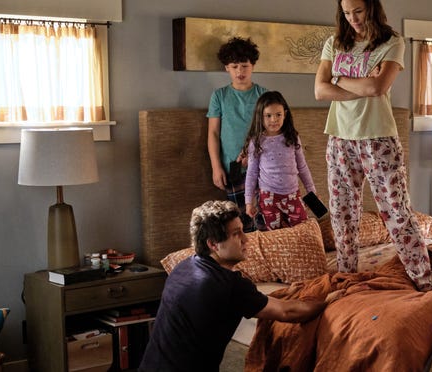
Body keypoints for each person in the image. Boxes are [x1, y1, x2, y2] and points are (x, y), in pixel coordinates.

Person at [314, 0, 432, 291]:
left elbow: (377, 88)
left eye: (358, 11)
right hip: (340, 138)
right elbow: (320, 90)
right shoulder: (335, 43)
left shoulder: (392, 42)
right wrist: (362, 82)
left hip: (378, 139)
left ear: (371, 7)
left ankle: (425, 281)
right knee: (342, 215)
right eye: (346, 13)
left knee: (397, 212)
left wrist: (339, 78)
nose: (352, 18)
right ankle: (346, 280)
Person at [139, 200, 343, 371]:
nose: (246, 239)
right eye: (236, 234)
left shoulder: (183, 268)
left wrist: (287, 292)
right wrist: (327, 303)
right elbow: (288, 313)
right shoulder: (228, 285)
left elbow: (256, 303)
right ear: (213, 244)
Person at [207, 36, 267, 232]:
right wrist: (216, 167)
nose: (240, 71)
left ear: (253, 65)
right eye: (234, 66)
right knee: (243, 220)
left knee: (264, 218)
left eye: (244, 66)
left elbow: (270, 132)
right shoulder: (220, 96)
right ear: (226, 68)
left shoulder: (263, 95)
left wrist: (254, 155)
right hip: (233, 168)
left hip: (262, 167)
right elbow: (214, 133)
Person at [243, 91, 317, 230]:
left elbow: (302, 166)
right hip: (268, 196)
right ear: (260, 117)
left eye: (278, 115)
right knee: (275, 234)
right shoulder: (257, 141)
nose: (274, 120)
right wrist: (249, 202)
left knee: (302, 229)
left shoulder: (292, 137)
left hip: (292, 193)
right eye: (268, 115)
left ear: (285, 114)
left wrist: (311, 189)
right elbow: (251, 173)